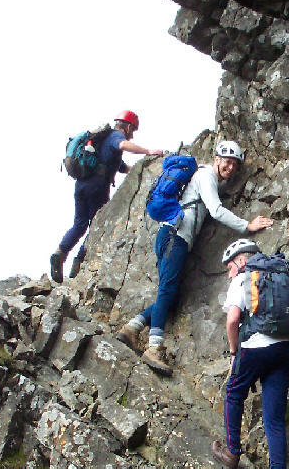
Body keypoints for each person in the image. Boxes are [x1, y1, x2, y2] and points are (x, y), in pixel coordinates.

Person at [115, 140, 273, 376]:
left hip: (173, 236)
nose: (230, 167)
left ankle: (132, 328)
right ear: (217, 159)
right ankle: (154, 347)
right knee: (167, 290)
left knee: (172, 296)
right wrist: (247, 226)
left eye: (234, 164)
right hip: (175, 236)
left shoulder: (208, 178)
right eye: (227, 161)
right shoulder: (206, 175)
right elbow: (216, 209)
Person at [210, 239, 289, 469]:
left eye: (229, 267)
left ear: (240, 261)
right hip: (284, 349)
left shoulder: (243, 279)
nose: (229, 273)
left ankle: (232, 452)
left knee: (234, 394)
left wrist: (235, 352)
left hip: (254, 347)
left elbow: (233, 320)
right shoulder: (283, 273)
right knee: (274, 417)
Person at [50, 110, 164, 283]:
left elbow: (117, 165)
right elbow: (123, 145)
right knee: (98, 225)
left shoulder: (103, 140)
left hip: (81, 185)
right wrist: (148, 151)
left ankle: (60, 252)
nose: (132, 135)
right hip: (97, 188)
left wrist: (134, 170)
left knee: (80, 224)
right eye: (132, 130)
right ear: (127, 126)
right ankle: (79, 261)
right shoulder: (115, 137)